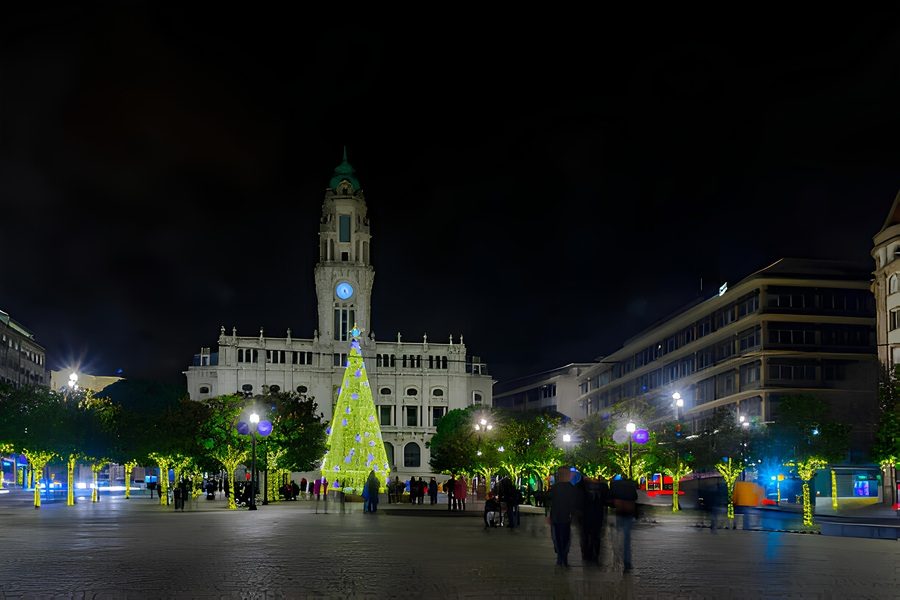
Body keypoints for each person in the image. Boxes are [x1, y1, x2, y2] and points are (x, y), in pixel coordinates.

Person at [547, 466, 580, 567]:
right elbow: (574, 503)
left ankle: (561, 557)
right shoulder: (571, 488)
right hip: (565, 516)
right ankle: (563, 557)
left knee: (558, 537)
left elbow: (551, 501)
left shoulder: (556, 487)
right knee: (564, 537)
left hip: (559, 516)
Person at [609, 476, 638, 572]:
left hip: (620, 513)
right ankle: (627, 562)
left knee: (620, 537)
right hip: (628, 514)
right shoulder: (630, 487)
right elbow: (635, 498)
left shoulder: (617, 487)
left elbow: (612, 501)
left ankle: (620, 559)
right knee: (626, 539)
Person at [579, 475, 610, 565]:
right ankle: (595, 554)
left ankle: (587, 554)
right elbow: (606, 500)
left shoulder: (583, 486)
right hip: (598, 515)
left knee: (586, 535)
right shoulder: (603, 487)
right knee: (596, 536)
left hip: (586, 515)